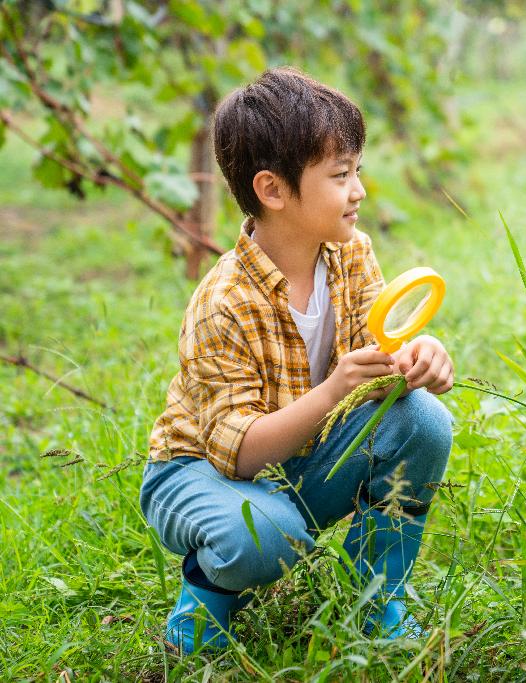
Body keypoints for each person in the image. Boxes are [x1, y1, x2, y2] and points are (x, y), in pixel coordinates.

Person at [139, 66, 455, 655]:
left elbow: (381, 355)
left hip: (295, 464)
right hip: (198, 474)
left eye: (357, 170)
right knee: (266, 535)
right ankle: (202, 602)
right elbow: (238, 457)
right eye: (341, 175)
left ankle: (376, 598)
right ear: (274, 190)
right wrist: (335, 389)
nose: (359, 190)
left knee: (424, 419)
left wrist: (419, 358)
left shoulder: (351, 255)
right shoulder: (223, 301)